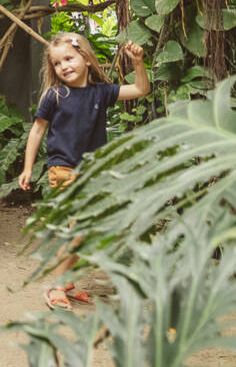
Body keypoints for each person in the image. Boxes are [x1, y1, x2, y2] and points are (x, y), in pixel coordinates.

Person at [14, 32, 149, 309]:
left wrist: (138, 63)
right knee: (76, 230)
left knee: (84, 231)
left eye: (68, 58)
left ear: (86, 58)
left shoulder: (101, 92)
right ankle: (56, 286)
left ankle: (68, 282)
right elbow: (37, 130)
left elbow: (140, 90)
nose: (63, 66)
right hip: (62, 169)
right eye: (57, 63)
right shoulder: (55, 95)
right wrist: (28, 167)